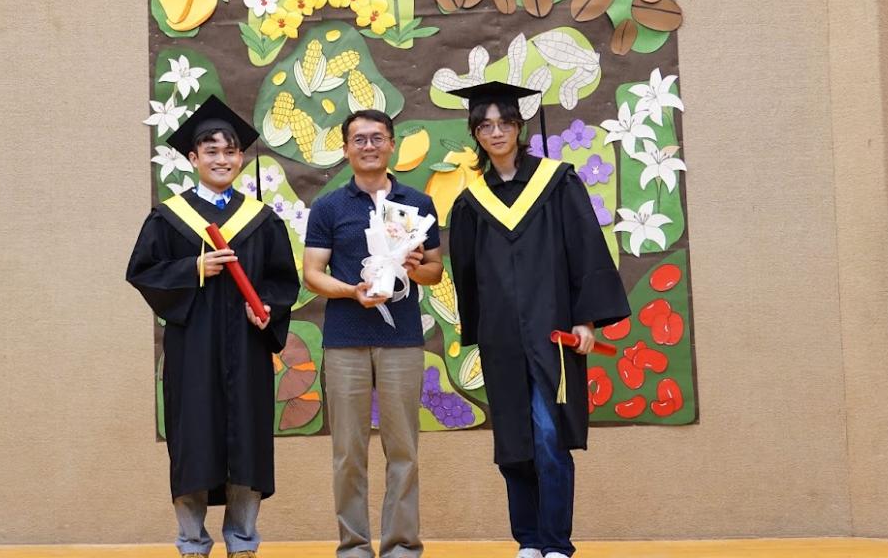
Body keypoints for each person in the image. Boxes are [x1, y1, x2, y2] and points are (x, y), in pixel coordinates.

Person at [447, 82, 631, 558]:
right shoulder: (471, 203)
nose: (496, 132)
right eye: (485, 126)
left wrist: (587, 319)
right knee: (513, 440)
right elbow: (466, 274)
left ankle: (556, 542)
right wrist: (477, 331)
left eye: (504, 123)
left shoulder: (557, 183)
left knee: (549, 435)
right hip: (502, 338)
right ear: (476, 134)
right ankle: (528, 539)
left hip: (554, 332)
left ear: (519, 126)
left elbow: (585, 250)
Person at [126, 95, 299, 558]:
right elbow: (142, 271)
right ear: (193, 158)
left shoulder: (260, 220)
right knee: (194, 442)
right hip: (193, 349)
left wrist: (266, 308)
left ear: (240, 158)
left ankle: (243, 543)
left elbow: (283, 281)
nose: (222, 159)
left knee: (246, 441)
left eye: (230, 151)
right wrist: (194, 268)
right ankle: (191, 543)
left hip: (246, 347)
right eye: (211, 151)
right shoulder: (169, 218)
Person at [302, 109, 444, 558]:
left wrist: (414, 268)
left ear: (392, 144)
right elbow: (312, 274)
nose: (369, 146)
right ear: (345, 148)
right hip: (345, 339)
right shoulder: (328, 206)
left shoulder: (417, 204)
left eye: (377, 138)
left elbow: (436, 271)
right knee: (348, 452)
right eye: (359, 139)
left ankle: (402, 546)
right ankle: (354, 547)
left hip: (402, 340)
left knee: (403, 450)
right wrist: (351, 291)